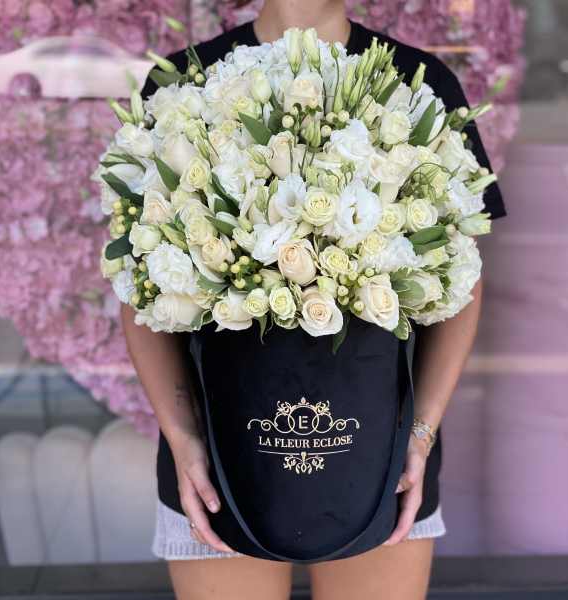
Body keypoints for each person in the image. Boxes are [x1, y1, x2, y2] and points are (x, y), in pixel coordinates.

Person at [123, 1, 507, 598]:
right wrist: (182, 437)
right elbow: (141, 287)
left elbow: (462, 283)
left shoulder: (420, 83)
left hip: (381, 454)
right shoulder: (184, 84)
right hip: (219, 457)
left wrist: (421, 434)